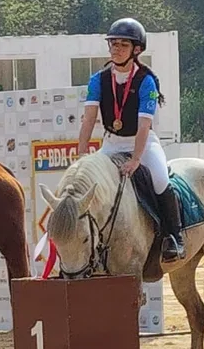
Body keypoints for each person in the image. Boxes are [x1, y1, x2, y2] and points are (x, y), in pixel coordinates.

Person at [78, 17, 185, 262]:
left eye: (122, 45)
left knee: (159, 179)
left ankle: (174, 236)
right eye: (113, 44)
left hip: (143, 143)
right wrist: (82, 153)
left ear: (137, 50)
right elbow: (88, 119)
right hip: (112, 143)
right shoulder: (98, 80)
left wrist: (137, 159)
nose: (116, 49)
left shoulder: (147, 81)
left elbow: (144, 125)